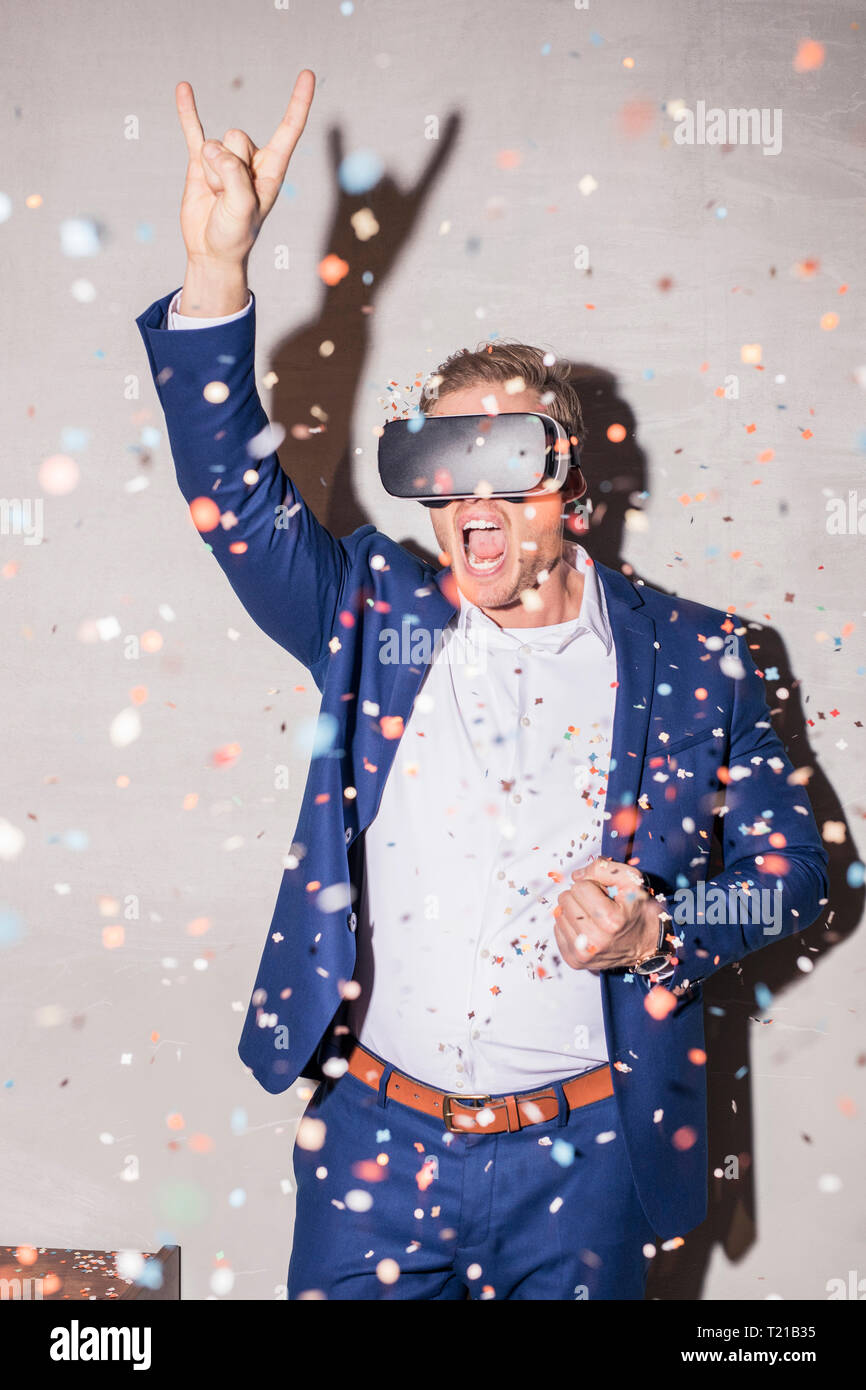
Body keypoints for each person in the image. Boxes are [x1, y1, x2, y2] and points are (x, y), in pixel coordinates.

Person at [135, 70, 828, 1300]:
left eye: (506, 459)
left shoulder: (702, 659)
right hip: (375, 1146)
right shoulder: (373, 613)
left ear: (573, 490)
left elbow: (794, 875)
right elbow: (233, 500)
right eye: (443, 465)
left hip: (587, 1160)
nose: (472, 498)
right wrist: (216, 273)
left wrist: (661, 931)